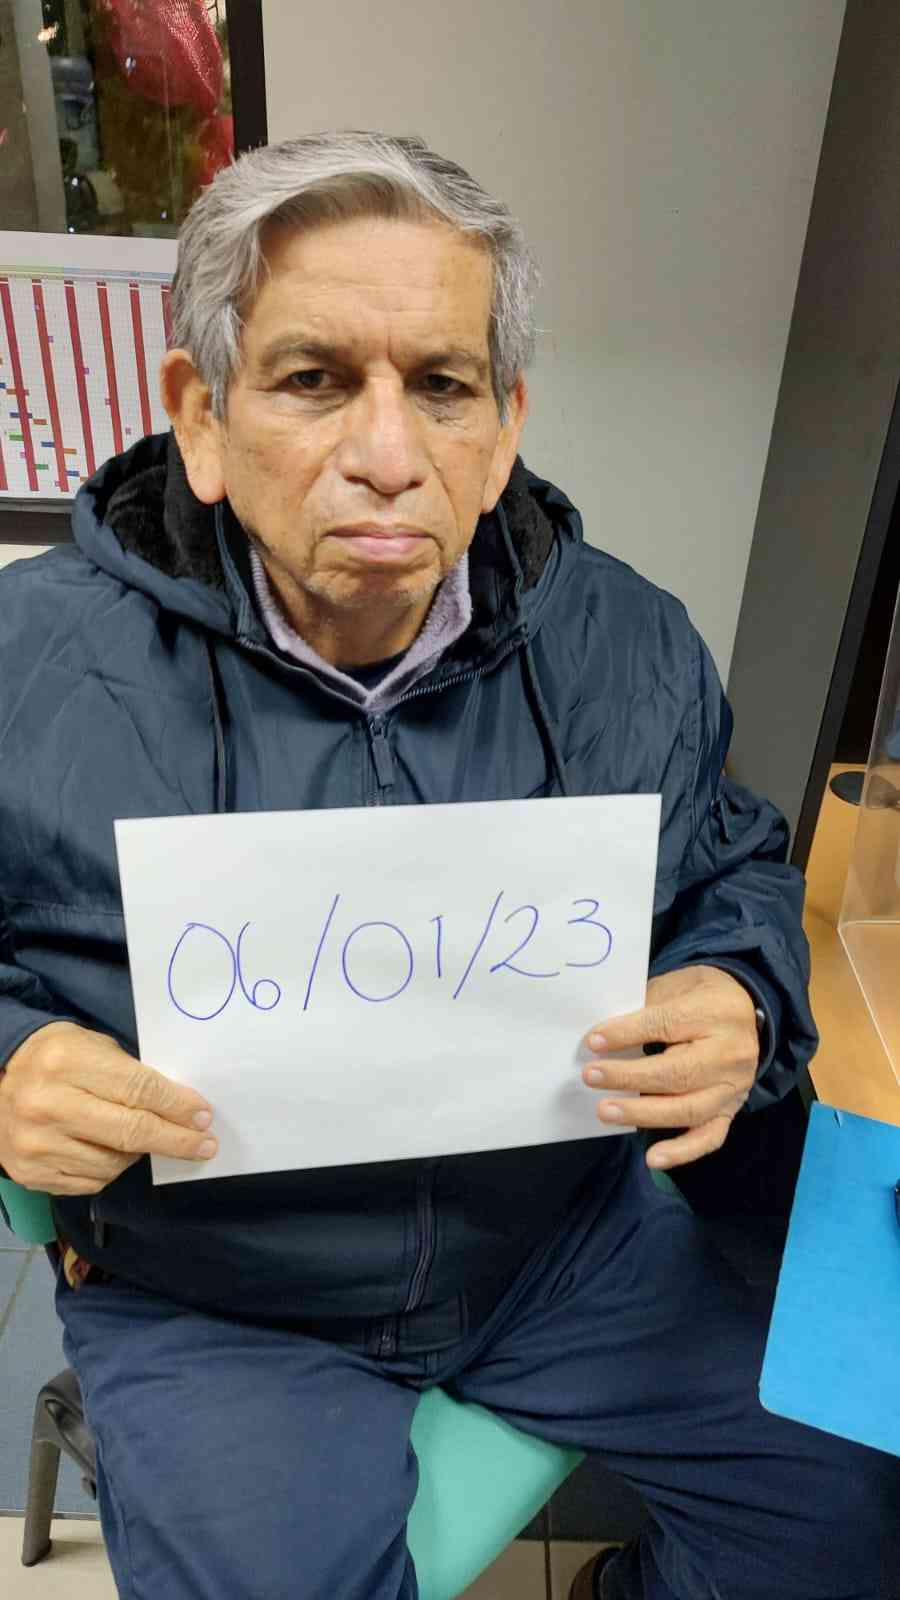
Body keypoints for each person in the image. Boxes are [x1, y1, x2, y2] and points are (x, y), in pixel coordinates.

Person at [0, 131, 896, 1600]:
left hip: (557, 1240)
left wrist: (739, 988)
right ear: (202, 415)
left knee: (851, 1514)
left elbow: (729, 865)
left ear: (506, 424)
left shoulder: (628, 641)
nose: (388, 455)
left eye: (442, 385)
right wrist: (8, 1066)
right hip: (220, 1289)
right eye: (312, 379)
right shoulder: (26, 665)